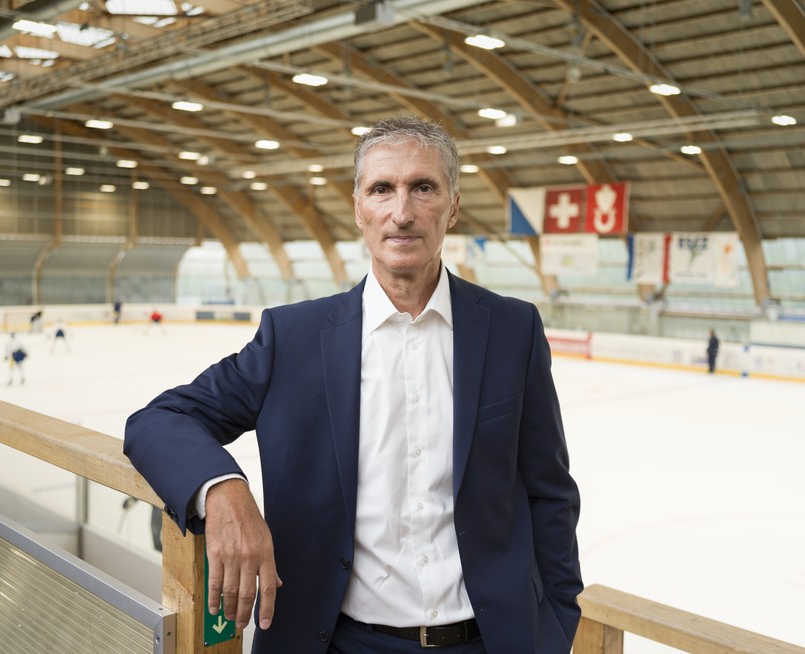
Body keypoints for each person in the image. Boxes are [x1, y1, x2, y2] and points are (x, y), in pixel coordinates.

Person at [124, 116, 581, 654]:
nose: (402, 213)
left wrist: (554, 629)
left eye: (424, 188)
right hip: (337, 643)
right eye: (382, 189)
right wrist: (223, 490)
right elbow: (157, 421)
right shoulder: (293, 338)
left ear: (453, 207)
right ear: (359, 207)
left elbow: (549, 491)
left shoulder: (512, 330)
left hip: (488, 642)